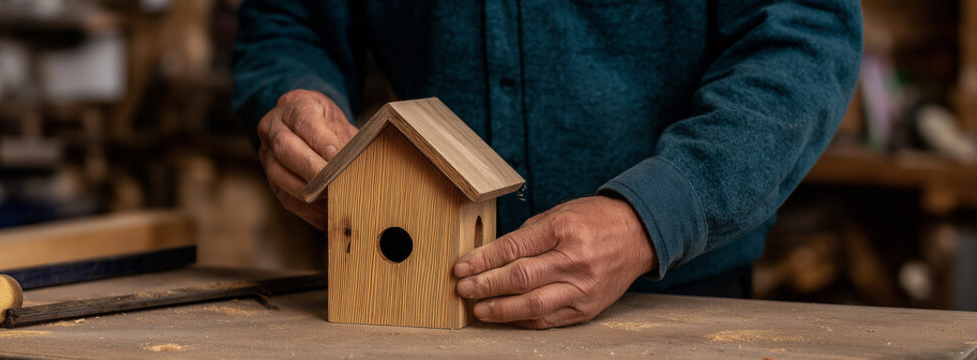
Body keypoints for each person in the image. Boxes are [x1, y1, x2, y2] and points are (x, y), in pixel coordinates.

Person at [232, 1, 861, 329]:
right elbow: (290, 20)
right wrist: (292, 92)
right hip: (415, 306)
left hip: (678, 302)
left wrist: (653, 216)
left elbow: (803, 36)